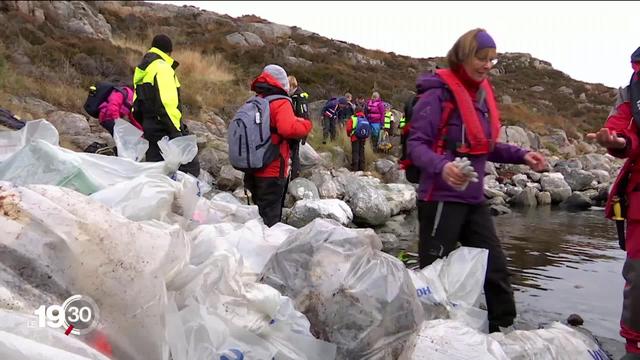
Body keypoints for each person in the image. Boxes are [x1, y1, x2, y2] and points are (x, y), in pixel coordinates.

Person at [406, 28, 547, 333]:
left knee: (494, 269)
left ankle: (505, 332)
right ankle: (427, 336)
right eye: (481, 58)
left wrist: (523, 155)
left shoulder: (480, 96)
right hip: (440, 198)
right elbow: (416, 145)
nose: (486, 65)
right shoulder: (437, 94)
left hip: (473, 198)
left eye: (492, 60)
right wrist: (443, 167)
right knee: (434, 275)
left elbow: (485, 145)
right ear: (462, 56)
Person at [586, 47, 640, 360]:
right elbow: (622, 131)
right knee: (638, 277)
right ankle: (634, 347)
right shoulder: (630, 91)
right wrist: (618, 142)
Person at [244, 64, 312, 227]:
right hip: (273, 169)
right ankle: (267, 249)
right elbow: (288, 128)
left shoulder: (255, 100)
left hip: (252, 168)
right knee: (271, 220)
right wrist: (306, 125)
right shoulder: (280, 102)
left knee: (258, 214)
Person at [132, 34, 200, 177]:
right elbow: (167, 103)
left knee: (156, 173)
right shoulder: (162, 68)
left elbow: (136, 104)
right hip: (165, 129)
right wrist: (176, 132)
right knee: (190, 170)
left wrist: (146, 124)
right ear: (169, 51)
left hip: (150, 128)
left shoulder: (145, 68)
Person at [287, 75, 310, 180]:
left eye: (288, 86)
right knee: (292, 152)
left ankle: (294, 176)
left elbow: (303, 116)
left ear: (292, 85)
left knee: (294, 153)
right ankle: (292, 174)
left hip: (295, 129)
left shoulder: (298, 98)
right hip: (293, 128)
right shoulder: (297, 96)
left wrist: (303, 133)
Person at [346, 105, 368, 171]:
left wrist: (349, 135)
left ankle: (355, 168)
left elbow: (348, 128)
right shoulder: (365, 118)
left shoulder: (353, 118)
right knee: (362, 152)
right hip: (363, 137)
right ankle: (362, 167)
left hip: (354, 137)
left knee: (355, 152)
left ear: (355, 111)